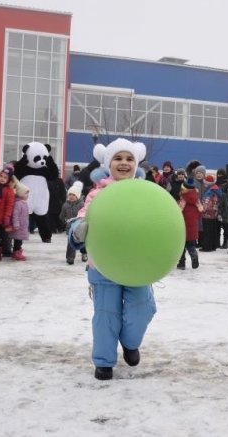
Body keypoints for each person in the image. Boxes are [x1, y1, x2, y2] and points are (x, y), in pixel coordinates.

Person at [68, 138, 157, 381]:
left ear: (136, 164)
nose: (124, 163)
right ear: (109, 165)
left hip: (138, 264)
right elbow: (83, 217)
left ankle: (130, 343)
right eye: (118, 158)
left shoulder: (146, 194)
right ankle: (104, 361)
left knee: (143, 308)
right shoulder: (98, 194)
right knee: (107, 314)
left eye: (129, 159)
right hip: (103, 264)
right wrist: (78, 228)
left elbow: (157, 221)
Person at [178, 177, 202, 269]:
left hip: (183, 225)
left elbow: (178, 211)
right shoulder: (196, 199)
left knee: (181, 246)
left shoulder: (184, 199)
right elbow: (201, 209)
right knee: (191, 244)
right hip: (193, 224)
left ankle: (181, 263)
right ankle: (193, 254)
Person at [60, 181, 87, 265]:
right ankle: (70, 258)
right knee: (71, 243)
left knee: (82, 241)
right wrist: (63, 221)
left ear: (78, 196)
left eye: (74, 195)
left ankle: (84, 253)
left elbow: (85, 213)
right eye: (70, 195)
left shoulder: (82, 204)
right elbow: (62, 215)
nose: (71, 197)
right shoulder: (65, 205)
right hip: (70, 227)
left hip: (80, 227)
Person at [199, 174, 222, 252]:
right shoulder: (216, 189)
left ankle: (207, 247)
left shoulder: (210, 191)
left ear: (208, 183)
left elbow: (206, 202)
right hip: (214, 214)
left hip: (207, 214)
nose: (204, 184)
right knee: (212, 230)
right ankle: (213, 245)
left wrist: (203, 210)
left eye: (205, 183)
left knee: (207, 230)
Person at [10, 180, 31, 261]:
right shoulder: (18, 204)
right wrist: (16, 224)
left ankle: (17, 252)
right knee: (18, 241)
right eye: (26, 193)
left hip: (23, 226)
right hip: (18, 227)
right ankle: (16, 252)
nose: (27, 195)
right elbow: (15, 214)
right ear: (20, 194)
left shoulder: (24, 203)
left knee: (19, 240)